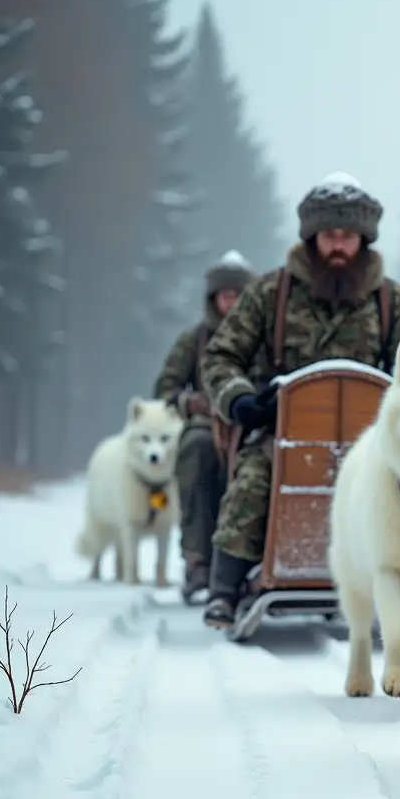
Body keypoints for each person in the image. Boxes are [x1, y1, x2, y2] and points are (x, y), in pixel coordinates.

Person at [199, 173, 400, 629]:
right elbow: (220, 356)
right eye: (330, 235)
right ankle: (224, 588)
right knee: (253, 478)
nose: (339, 246)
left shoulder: (391, 301)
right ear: (312, 238)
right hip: (282, 431)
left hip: (371, 441)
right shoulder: (271, 294)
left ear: (363, 239)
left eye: (347, 236)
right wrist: (241, 399)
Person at [151, 250, 254, 603]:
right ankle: (197, 560)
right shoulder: (195, 340)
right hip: (207, 425)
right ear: (214, 298)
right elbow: (166, 387)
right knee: (196, 453)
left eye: (239, 295)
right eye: (226, 295)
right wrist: (192, 403)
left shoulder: (264, 336)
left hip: (254, 422)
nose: (232, 302)